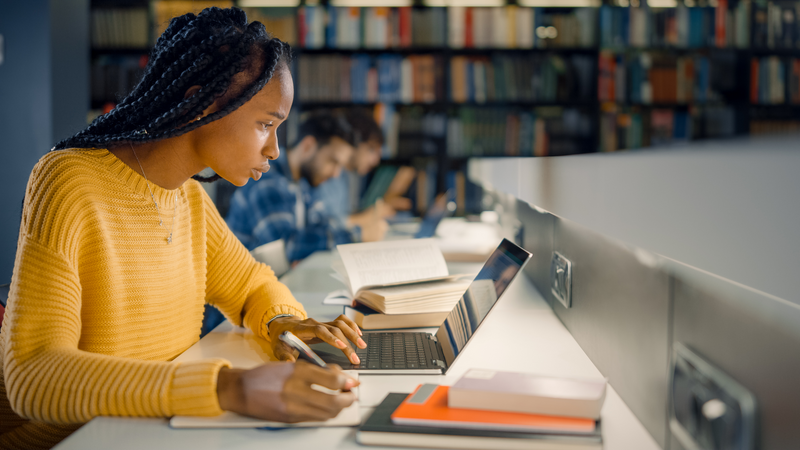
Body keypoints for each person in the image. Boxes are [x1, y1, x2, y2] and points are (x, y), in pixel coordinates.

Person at [0, 8, 366, 449]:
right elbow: (33, 376)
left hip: (155, 431)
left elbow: (252, 285)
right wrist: (229, 388)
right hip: (77, 439)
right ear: (203, 102)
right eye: (266, 124)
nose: (274, 149)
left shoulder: (188, 197)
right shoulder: (68, 182)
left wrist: (284, 324)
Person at [225, 112, 388, 263]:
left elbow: (324, 225)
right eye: (333, 161)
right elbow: (286, 246)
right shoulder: (267, 181)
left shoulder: (303, 183)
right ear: (308, 146)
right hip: (243, 289)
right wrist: (357, 235)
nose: (336, 174)